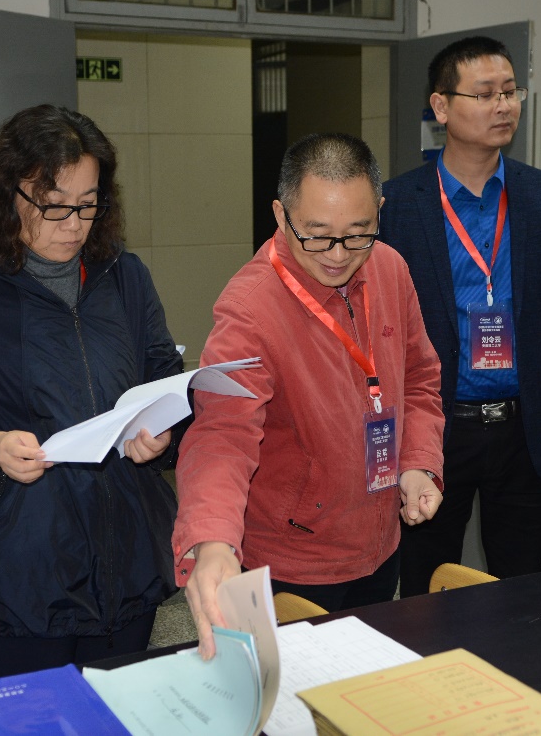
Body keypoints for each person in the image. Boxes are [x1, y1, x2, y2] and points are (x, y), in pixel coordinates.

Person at [0, 104, 181, 679]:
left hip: (131, 554)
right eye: (55, 205)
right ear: (8, 196)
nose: (74, 224)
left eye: (88, 204)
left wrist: (162, 429)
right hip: (29, 574)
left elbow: (164, 375)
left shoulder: (125, 278)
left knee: (122, 709)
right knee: (36, 718)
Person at [174, 133, 446, 658]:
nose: (338, 256)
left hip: (379, 544)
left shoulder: (390, 268)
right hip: (293, 562)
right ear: (281, 215)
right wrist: (213, 541)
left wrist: (417, 461)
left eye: (358, 233)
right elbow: (222, 435)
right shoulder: (250, 309)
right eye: (317, 236)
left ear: (379, 211)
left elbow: (418, 376)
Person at [379, 36, 541, 592]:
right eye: (486, 93)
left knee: (524, 587)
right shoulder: (397, 204)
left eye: (511, 92)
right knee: (426, 584)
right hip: (436, 427)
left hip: (525, 426)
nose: (504, 106)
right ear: (441, 106)